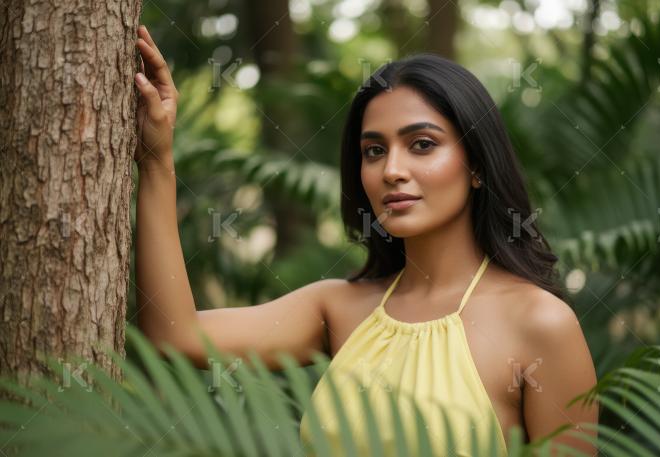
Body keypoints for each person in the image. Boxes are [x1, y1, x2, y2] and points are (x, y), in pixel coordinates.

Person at [133, 23, 598, 456]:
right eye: (374, 150)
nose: (392, 170)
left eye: (422, 144)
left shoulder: (539, 324)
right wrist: (156, 159)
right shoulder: (340, 309)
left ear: (476, 164)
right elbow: (175, 334)